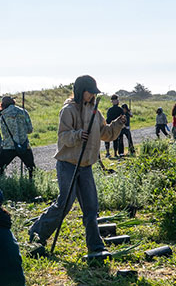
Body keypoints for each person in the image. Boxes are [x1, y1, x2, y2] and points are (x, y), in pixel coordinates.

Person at [27, 75, 126, 255]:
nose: (92, 96)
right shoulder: (68, 110)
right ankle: (36, 233)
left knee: (91, 207)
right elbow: (63, 136)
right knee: (64, 204)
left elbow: (106, 133)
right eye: (90, 93)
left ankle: (96, 248)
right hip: (68, 164)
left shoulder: (95, 111)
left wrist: (118, 125)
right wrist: (78, 134)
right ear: (81, 91)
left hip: (86, 165)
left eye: (94, 93)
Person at [0, 96, 35, 178]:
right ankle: (32, 186)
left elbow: (4, 133)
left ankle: (2, 186)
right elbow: (30, 130)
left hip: (8, 146)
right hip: (24, 145)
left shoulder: (3, 116)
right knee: (32, 169)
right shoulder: (23, 112)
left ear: (2, 105)